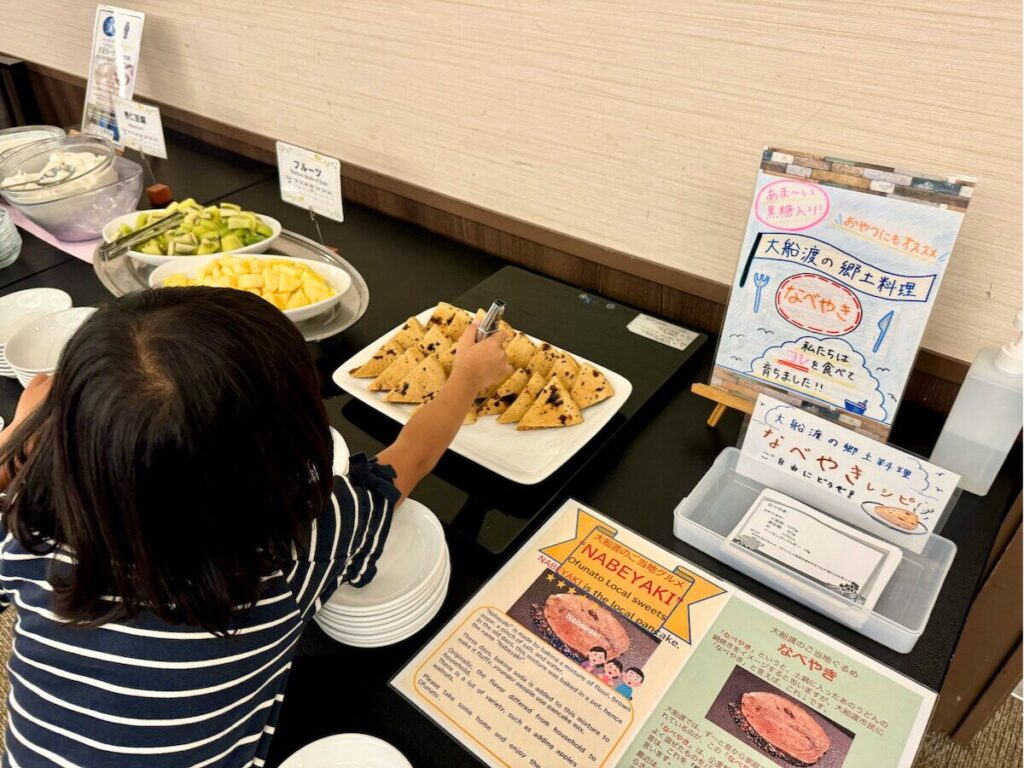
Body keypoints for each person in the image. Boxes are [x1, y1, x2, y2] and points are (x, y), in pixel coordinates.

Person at [0, 287, 511, 768]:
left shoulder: (32, 522)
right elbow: (412, 459)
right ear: (295, 441)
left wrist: (19, 445)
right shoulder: (294, 550)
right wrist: (467, 375)